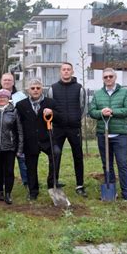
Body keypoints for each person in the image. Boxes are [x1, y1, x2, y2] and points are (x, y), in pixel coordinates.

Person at [89, 68, 127, 202]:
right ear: (103, 79)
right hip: (103, 134)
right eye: (105, 77)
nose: (108, 79)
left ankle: (126, 193)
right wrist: (101, 113)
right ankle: (111, 191)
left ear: (115, 78)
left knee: (122, 164)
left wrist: (112, 111)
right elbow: (92, 111)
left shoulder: (125, 92)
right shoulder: (98, 95)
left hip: (119, 135)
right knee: (107, 164)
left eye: (110, 76)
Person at [47, 62, 87, 197]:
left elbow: (82, 107)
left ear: (72, 72)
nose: (66, 72)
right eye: (64, 69)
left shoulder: (79, 88)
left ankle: (80, 185)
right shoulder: (53, 89)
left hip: (74, 128)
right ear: (60, 72)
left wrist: (75, 119)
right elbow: (50, 107)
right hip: (58, 128)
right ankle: (54, 182)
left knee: (78, 156)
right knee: (55, 155)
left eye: (68, 69)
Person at [15, 78, 56, 201]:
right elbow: (18, 124)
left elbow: (59, 118)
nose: (35, 90)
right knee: (31, 166)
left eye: (38, 88)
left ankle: (52, 184)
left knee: (56, 155)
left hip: (46, 139)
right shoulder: (21, 105)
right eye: (33, 88)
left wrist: (52, 112)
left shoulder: (50, 103)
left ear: (41, 89)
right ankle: (33, 191)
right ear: (28, 90)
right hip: (30, 140)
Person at [0, 89, 23, 204]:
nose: (1, 99)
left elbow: (19, 131)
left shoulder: (14, 111)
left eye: (4, 97)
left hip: (10, 147)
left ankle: (8, 193)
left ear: (8, 98)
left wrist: (19, 148)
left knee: (9, 171)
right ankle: (0, 192)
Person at [0, 72, 28, 187]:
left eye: (9, 80)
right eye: (5, 80)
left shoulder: (20, 96)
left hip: (19, 133)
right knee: (5, 162)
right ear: (1, 82)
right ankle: (5, 182)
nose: (7, 82)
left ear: (13, 82)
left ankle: (27, 181)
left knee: (22, 158)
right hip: (3, 135)